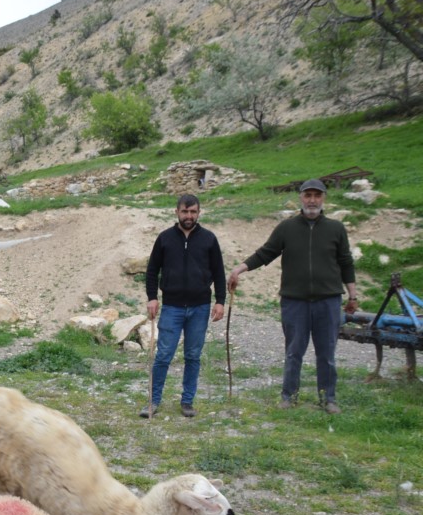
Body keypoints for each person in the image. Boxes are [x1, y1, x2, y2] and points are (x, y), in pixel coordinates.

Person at [228, 179, 358, 414]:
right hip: (294, 301)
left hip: (328, 301)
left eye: (317, 196)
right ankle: (289, 396)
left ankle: (328, 399)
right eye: (307, 195)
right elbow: (265, 253)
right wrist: (239, 269)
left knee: (327, 354)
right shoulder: (286, 228)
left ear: (323, 198)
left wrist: (353, 296)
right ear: (300, 197)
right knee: (293, 352)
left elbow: (346, 262)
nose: (312, 200)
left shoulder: (336, 229)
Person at [141, 194, 226, 418]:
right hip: (172, 307)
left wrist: (220, 301)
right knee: (163, 355)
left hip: (200, 307)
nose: (189, 216)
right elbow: (152, 270)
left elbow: (219, 271)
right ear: (176, 212)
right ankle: (153, 401)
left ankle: (187, 401)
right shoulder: (165, 238)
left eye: (193, 212)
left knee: (193, 356)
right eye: (185, 211)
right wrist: (152, 297)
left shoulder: (209, 239)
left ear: (199, 213)